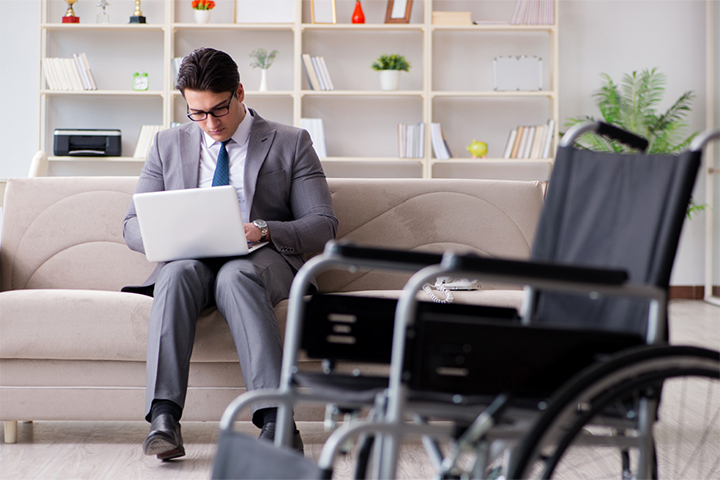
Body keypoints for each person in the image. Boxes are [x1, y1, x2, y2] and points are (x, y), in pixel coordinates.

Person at [122, 47, 338, 461]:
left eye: (218, 110)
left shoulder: (290, 141)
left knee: (236, 275)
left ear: (239, 92)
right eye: (197, 113)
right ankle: (163, 419)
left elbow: (323, 224)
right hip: (192, 259)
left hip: (263, 258)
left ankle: (277, 421)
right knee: (175, 274)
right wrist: (169, 233)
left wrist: (264, 228)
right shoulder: (167, 143)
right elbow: (132, 225)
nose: (209, 124)